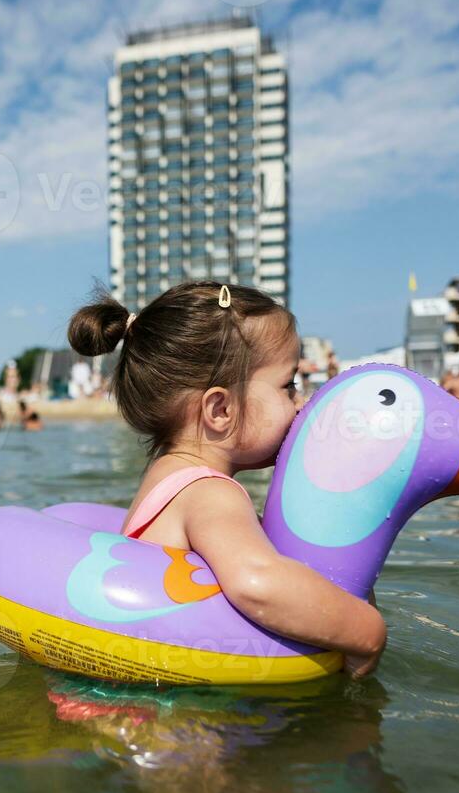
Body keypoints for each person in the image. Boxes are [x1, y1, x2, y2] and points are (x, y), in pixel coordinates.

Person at [67, 281, 386, 677]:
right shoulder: (210, 492)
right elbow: (256, 582)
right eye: (289, 386)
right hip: (179, 723)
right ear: (220, 409)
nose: (301, 402)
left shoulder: (167, 475)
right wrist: (366, 631)